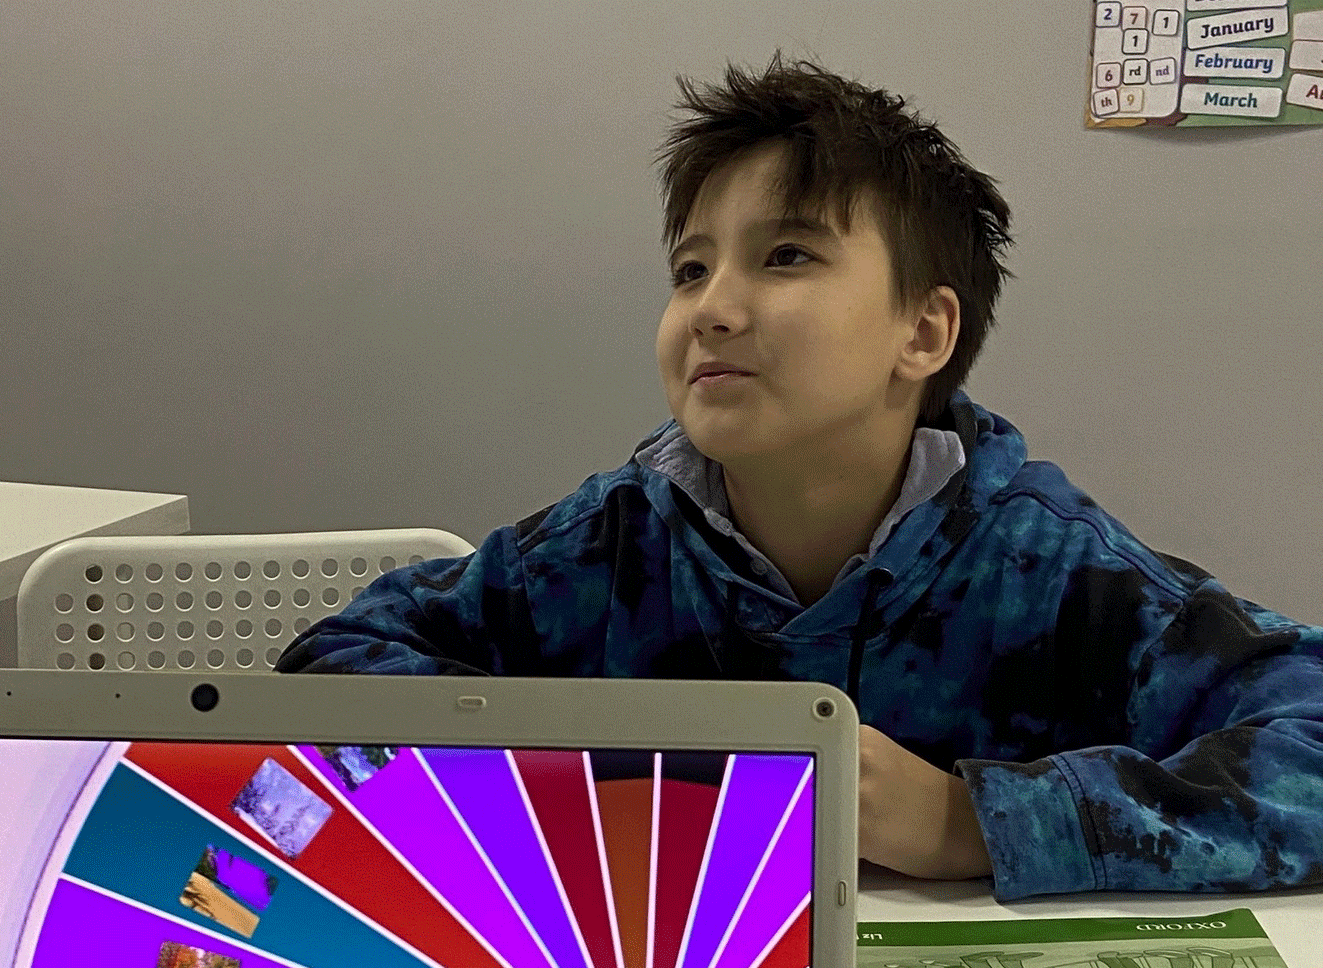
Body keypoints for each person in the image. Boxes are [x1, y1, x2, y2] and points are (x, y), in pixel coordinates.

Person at [276, 53, 1323, 902]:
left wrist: (972, 822)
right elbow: (334, 666)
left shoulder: (1049, 570)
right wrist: (581, 785)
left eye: (785, 256)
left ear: (924, 332)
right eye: (691, 269)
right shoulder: (608, 546)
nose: (711, 308)